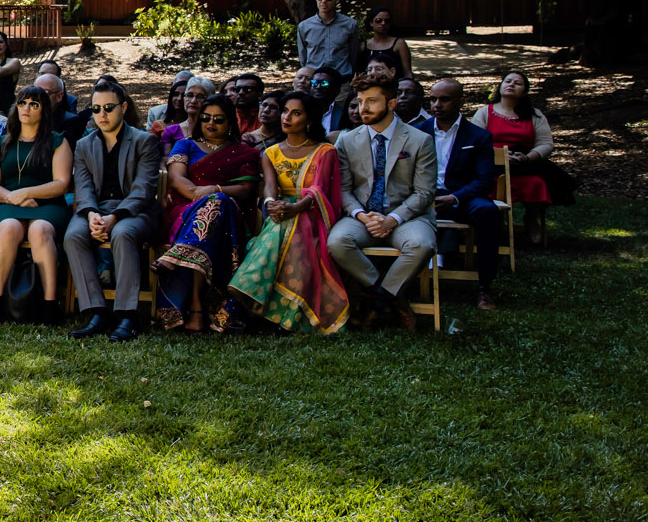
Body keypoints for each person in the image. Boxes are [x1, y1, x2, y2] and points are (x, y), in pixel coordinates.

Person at [229, 90, 350, 333]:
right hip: (280, 211)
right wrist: (272, 204)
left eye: (296, 113)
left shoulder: (325, 151)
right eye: (285, 111)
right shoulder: (270, 153)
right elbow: (270, 188)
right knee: (280, 228)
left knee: (288, 231)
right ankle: (262, 309)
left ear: (310, 120)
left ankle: (268, 311)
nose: (287, 118)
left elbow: (319, 190)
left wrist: (295, 208)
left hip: (313, 212)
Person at [328, 74, 437, 329]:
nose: (363, 108)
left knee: (422, 244)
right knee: (337, 242)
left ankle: (379, 299)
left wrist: (393, 219)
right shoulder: (347, 139)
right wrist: (361, 215)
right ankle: (390, 298)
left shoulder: (420, 140)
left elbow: (424, 192)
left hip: (406, 216)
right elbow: (343, 188)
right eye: (360, 101)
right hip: (363, 216)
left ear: (391, 103)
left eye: (372, 101)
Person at [153, 94, 261, 332]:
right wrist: (199, 196)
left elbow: (246, 189)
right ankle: (197, 310)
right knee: (214, 203)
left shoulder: (244, 152)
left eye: (218, 120)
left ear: (231, 122)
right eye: (206, 118)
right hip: (185, 211)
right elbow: (176, 177)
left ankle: (178, 259)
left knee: (219, 201)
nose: (211, 124)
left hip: (229, 218)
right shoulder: (186, 145)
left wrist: (215, 190)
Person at [66, 78, 161, 342]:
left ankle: (127, 315)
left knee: (122, 233)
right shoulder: (84, 144)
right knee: (73, 235)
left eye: (108, 107)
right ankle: (96, 311)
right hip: (95, 210)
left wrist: (114, 217)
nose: (102, 114)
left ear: (124, 107)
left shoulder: (145, 141)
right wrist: (93, 214)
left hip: (136, 211)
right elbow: (82, 187)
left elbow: (143, 190)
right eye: (96, 109)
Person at [0, 85, 73, 320]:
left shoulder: (57, 142)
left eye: (34, 104)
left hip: (49, 206)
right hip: (9, 204)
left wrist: (27, 192)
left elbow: (62, 183)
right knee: (9, 227)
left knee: (40, 230)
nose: (27, 108)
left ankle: (49, 305)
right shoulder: (2, 142)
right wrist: (14, 197)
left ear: (44, 111)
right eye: (22, 103)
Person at [422, 79, 504, 310]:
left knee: (488, 212)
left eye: (444, 99)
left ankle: (484, 288)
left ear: (461, 101)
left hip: (462, 196)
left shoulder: (478, 136)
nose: (437, 104)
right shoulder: (418, 132)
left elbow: (484, 180)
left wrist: (455, 197)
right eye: (433, 99)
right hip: (425, 196)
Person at [472, 70, 571, 245]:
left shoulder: (535, 115)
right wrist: (500, 155)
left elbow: (546, 143)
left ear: (525, 91)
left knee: (538, 182)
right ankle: (495, 222)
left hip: (524, 162)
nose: (511, 85)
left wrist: (528, 157)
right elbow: (474, 141)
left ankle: (531, 220)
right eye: (508, 81)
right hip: (492, 162)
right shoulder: (484, 112)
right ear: (500, 86)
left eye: (517, 83)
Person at [296, 0, 359, 97]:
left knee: (339, 114)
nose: (323, 1)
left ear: (337, 0)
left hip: (341, 83)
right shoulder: (304, 26)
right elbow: (303, 57)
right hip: (315, 84)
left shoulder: (350, 25)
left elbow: (353, 55)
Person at [35, 71, 88, 142]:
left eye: (45, 93)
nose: (38, 98)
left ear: (59, 96)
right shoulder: (25, 116)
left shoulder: (71, 122)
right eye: (34, 92)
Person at [360, 8, 413, 81]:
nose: (383, 23)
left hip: (394, 86)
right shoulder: (364, 46)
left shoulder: (399, 44)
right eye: (378, 20)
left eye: (387, 21)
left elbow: (407, 72)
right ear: (371, 23)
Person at [161, 76, 215, 145]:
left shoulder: (214, 129)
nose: (193, 101)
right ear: (184, 99)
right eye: (190, 95)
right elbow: (166, 155)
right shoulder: (172, 131)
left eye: (200, 97)